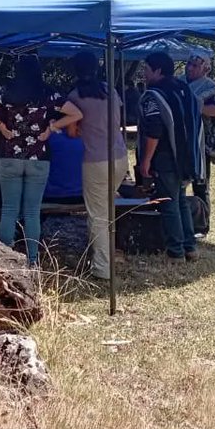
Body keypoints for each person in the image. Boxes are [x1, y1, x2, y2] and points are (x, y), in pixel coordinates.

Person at [0, 55, 82, 266]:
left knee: (9, 210)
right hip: (39, 158)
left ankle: (5, 259)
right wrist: (51, 128)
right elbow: (76, 114)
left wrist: (1, 126)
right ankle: (32, 260)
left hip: (10, 157)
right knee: (32, 211)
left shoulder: (6, 92)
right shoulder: (48, 93)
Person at [68, 51, 129, 281]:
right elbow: (118, 121)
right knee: (107, 210)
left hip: (95, 160)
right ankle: (109, 256)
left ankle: (102, 267)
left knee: (98, 215)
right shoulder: (110, 90)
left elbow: (72, 132)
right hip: (120, 157)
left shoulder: (74, 97)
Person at [139, 53, 199, 261]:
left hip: (165, 156)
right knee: (181, 200)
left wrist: (146, 159)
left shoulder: (154, 95)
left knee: (169, 202)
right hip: (185, 155)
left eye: (146, 69)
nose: (144, 74)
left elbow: (154, 130)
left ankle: (176, 251)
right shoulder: (184, 89)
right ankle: (190, 246)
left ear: (157, 71)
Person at [184, 47, 215, 231]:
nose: (190, 68)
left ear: (205, 68)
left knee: (200, 184)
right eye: (189, 64)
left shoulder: (211, 88)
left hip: (201, 143)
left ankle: (201, 225)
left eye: (195, 65)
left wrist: (195, 106)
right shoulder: (180, 83)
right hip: (181, 140)